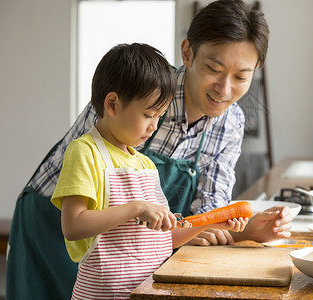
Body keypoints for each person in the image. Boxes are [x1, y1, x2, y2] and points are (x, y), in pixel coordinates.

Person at [6, 0, 293, 299]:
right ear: (187, 52)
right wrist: (135, 210)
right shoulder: (140, 87)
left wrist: (243, 229)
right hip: (53, 222)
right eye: (213, 68)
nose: (224, 88)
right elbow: (86, 162)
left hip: (125, 247)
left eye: (241, 77)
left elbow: (203, 215)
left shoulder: (231, 123)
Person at [50, 43, 248, 299]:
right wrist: (136, 208)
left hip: (145, 293)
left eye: (160, 116)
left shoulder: (145, 164)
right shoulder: (85, 152)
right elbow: (73, 225)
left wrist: (214, 221)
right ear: (112, 104)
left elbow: (164, 238)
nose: (154, 126)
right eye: (148, 115)